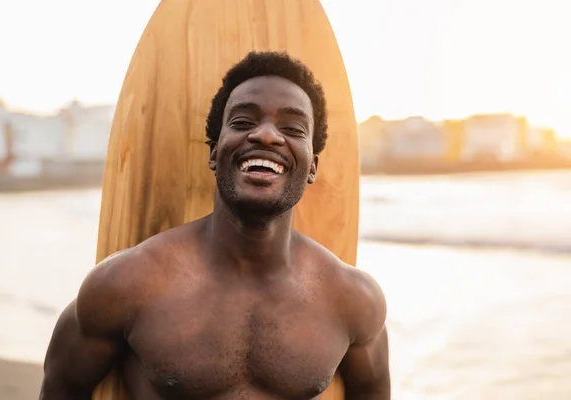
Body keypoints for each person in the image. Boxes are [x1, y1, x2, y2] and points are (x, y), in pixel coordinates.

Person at [40, 51, 390, 400]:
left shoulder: (354, 299)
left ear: (312, 166)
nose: (267, 136)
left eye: (292, 128)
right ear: (214, 152)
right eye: (242, 122)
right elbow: (62, 389)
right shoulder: (126, 284)